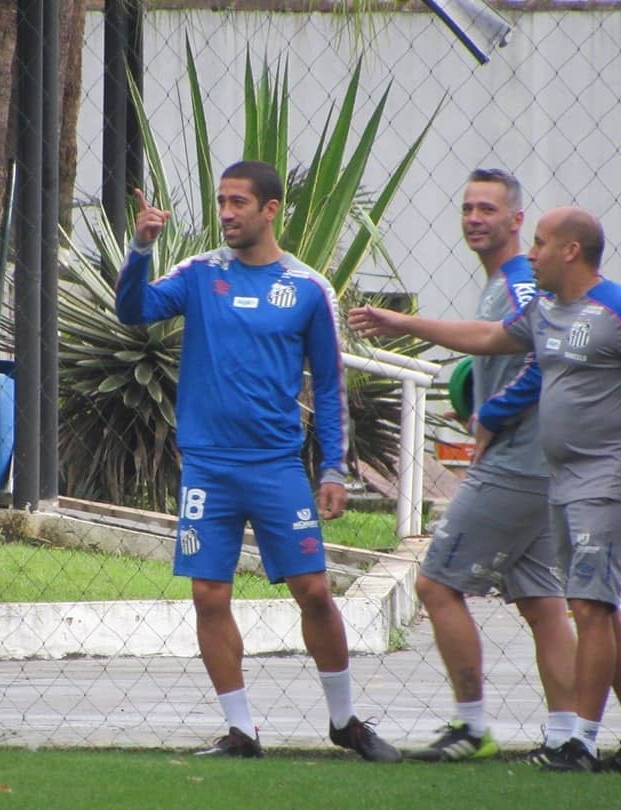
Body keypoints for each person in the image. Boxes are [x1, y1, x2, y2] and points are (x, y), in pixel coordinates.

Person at [115, 160, 400, 763]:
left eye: (238, 202)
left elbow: (328, 384)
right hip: (207, 468)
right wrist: (141, 248)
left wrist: (331, 469)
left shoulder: (306, 287)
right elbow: (134, 311)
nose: (226, 214)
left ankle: (344, 721)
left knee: (315, 591)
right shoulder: (198, 275)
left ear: (270, 209)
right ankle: (241, 732)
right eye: (221, 201)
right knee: (209, 597)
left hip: (275, 467)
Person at [349, 206, 621, 773]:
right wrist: (404, 325)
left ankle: (578, 743)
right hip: (562, 480)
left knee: (592, 606)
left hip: (607, 480)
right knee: (590, 607)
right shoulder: (547, 310)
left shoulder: (616, 310)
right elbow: (487, 336)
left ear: (571, 251)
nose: (532, 252)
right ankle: (576, 738)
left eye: (542, 243)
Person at [405, 170, 577, 764]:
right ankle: (566, 739)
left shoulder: (521, 282)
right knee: (541, 604)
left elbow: (543, 353)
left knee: (435, 584)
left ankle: (471, 727)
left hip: (517, 465)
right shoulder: (502, 282)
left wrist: (491, 415)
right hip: (540, 467)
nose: (474, 218)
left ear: (516, 221)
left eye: (488, 209)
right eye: (467, 207)